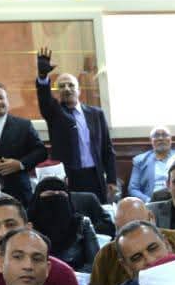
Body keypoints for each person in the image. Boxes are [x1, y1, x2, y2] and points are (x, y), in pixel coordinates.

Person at [35, 47, 117, 200]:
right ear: (57, 92)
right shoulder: (54, 113)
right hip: (68, 177)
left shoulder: (96, 114)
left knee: (97, 211)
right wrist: (43, 77)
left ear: (79, 90)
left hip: (94, 175)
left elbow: (107, 148)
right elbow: (44, 99)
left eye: (71, 85)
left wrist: (112, 179)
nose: (67, 89)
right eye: (62, 86)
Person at [26, 177, 100, 273]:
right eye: (50, 195)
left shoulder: (82, 224)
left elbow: (95, 263)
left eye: (61, 195)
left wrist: (68, 276)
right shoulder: (27, 226)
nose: (56, 199)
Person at [32, 159, 115, 236]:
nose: (56, 195)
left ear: (66, 181)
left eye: (59, 189)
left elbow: (108, 227)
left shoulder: (87, 200)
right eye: (49, 191)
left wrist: (84, 229)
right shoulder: (34, 206)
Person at [128, 126, 175, 202]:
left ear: (170, 139)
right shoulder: (140, 160)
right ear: (151, 140)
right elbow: (133, 189)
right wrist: (149, 201)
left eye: (164, 135)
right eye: (156, 135)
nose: (160, 138)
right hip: (151, 201)